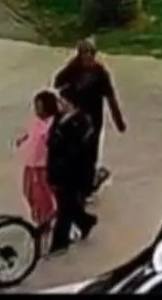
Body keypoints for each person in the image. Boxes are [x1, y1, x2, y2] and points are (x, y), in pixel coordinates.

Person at [52, 39, 125, 194]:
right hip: (75, 117)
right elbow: (57, 83)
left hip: (93, 117)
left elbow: (110, 97)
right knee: (74, 148)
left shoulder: (100, 73)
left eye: (91, 56)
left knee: (91, 149)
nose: (88, 61)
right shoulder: (72, 69)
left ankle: (87, 182)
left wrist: (118, 121)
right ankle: (72, 179)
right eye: (85, 57)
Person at [44, 96, 97, 253]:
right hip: (58, 169)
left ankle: (59, 245)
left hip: (73, 173)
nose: (59, 104)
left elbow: (79, 153)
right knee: (68, 206)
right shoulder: (59, 119)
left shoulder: (83, 124)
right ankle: (85, 221)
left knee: (64, 211)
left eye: (62, 101)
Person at [16, 92, 57, 232]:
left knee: (43, 195)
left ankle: (46, 221)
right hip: (30, 162)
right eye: (36, 106)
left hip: (43, 165)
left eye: (39, 107)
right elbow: (31, 133)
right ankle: (39, 217)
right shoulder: (36, 120)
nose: (37, 110)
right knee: (27, 192)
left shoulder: (53, 123)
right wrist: (23, 139)